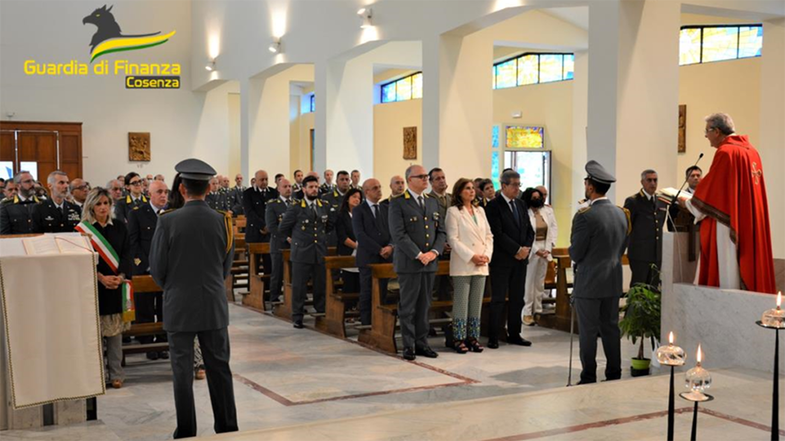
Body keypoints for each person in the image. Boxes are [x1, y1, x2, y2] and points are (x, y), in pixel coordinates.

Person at [149, 158, 238, 438]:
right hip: (213, 304)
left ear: (183, 189)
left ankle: (186, 430)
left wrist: (175, 288)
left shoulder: (168, 221)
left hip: (179, 305)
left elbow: (158, 269)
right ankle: (227, 427)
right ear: (209, 189)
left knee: (182, 372)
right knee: (220, 368)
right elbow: (225, 268)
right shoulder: (223, 221)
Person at [679, 113, 776, 293]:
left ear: (717, 131)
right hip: (751, 220)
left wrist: (687, 203)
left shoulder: (726, 152)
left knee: (728, 267)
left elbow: (712, 191)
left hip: (730, 221)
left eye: (707, 131)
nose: (705, 136)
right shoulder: (752, 152)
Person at [569, 160, 629, 384]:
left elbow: (576, 252)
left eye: (586, 183)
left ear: (590, 187)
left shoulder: (585, 215)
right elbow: (622, 247)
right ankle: (614, 373)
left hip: (589, 282)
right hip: (612, 280)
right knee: (611, 329)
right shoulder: (621, 213)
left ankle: (588, 375)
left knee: (588, 332)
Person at [389, 165, 446, 361]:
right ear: (409, 180)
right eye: (421, 176)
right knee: (409, 306)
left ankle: (422, 343)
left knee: (424, 305)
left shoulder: (431, 202)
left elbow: (441, 232)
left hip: (429, 263)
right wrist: (419, 254)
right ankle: (408, 345)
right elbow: (398, 234)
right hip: (409, 263)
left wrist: (434, 252)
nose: (425, 179)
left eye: (426, 177)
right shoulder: (398, 203)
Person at [79, 187, 132, 389]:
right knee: (95, 334)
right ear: (91, 205)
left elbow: (127, 253)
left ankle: (116, 374)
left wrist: (120, 276)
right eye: (99, 203)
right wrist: (100, 277)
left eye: (106, 203)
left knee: (115, 334)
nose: (103, 208)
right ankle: (97, 375)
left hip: (116, 285)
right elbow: (82, 259)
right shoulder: (83, 229)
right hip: (94, 287)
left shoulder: (119, 226)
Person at [484, 170, 534, 349]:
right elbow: (497, 233)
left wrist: (526, 249)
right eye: (514, 185)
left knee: (517, 298)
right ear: (504, 186)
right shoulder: (493, 206)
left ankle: (515, 333)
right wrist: (516, 249)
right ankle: (494, 335)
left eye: (519, 185)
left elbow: (529, 230)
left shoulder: (520, 204)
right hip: (502, 259)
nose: (517, 188)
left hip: (521, 260)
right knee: (498, 299)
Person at [445, 178, 493, 354]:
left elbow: (489, 236)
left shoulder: (480, 211)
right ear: (459, 192)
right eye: (467, 188)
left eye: (473, 188)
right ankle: (458, 337)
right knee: (461, 302)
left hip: (481, 263)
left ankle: (473, 336)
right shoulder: (454, 212)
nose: (471, 191)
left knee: (475, 302)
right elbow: (453, 239)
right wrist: (471, 256)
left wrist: (486, 255)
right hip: (464, 262)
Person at [279, 175, 332, 328]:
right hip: (302, 252)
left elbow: (328, 226)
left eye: (316, 187)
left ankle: (321, 311)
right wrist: (293, 239)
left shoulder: (323, 205)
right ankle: (297, 316)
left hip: (319, 251)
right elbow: (283, 228)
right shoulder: (296, 207)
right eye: (310, 187)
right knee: (299, 286)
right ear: (303, 189)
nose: (314, 190)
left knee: (320, 284)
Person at [128, 179, 170, 361]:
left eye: (166, 192)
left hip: (166, 270)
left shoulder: (170, 214)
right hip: (144, 268)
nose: (163, 195)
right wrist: (146, 264)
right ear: (149, 194)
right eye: (159, 192)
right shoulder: (137, 214)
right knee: (145, 307)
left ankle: (162, 341)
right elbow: (133, 242)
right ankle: (147, 343)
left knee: (164, 307)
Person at [353, 178, 393, 325]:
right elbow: (360, 235)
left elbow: (393, 232)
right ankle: (367, 323)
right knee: (368, 292)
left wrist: (390, 246)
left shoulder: (386, 208)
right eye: (375, 188)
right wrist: (379, 249)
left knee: (383, 292)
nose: (379, 190)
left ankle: (380, 322)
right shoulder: (359, 210)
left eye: (380, 187)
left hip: (386, 258)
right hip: (368, 258)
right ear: (367, 192)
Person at [521, 187, 558, 326]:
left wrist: (548, 249)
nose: (538, 199)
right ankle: (527, 312)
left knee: (540, 282)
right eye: (535, 197)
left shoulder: (547, 210)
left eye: (540, 196)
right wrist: (536, 250)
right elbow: (525, 233)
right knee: (529, 282)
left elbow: (553, 228)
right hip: (532, 249)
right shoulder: (525, 212)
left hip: (545, 248)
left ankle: (538, 309)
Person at [624, 169, 667, 288]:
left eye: (655, 180)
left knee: (653, 288)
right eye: (649, 180)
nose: (653, 183)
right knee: (639, 288)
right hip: (639, 254)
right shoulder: (633, 201)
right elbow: (626, 227)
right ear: (642, 182)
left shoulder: (662, 201)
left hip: (656, 254)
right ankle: (633, 308)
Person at [265, 178, 293, 303]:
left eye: (290, 186)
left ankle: (293, 299)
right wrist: (286, 238)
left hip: (295, 244)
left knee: (293, 274)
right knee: (277, 273)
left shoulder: (296, 203)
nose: (288, 189)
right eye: (285, 186)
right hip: (279, 244)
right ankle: (274, 298)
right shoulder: (273, 204)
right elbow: (272, 226)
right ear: (279, 189)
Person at [335, 188, 362, 293]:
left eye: (359, 198)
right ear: (347, 199)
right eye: (354, 197)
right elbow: (342, 237)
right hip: (348, 252)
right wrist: (357, 246)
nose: (357, 200)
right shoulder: (341, 215)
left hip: (361, 253)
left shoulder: (361, 214)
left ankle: (358, 305)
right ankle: (349, 306)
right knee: (350, 282)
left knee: (360, 282)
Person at [243, 170, 278, 244]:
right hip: (254, 231)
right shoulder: (248, 193)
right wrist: (263, 226)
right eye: (262, 180)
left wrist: (269, 226)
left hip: (270, 232)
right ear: (255, 180)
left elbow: (276, 211)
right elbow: (249, 212)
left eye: (266, 179)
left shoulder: (274, 192)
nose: (265, 182)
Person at [322, 170, 351, 246]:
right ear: (336, 181)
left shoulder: (353, 198)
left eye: (347, 179)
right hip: (333, 237)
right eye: (342, 179)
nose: (345, 182)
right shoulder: (327, 198)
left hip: (350, 238)